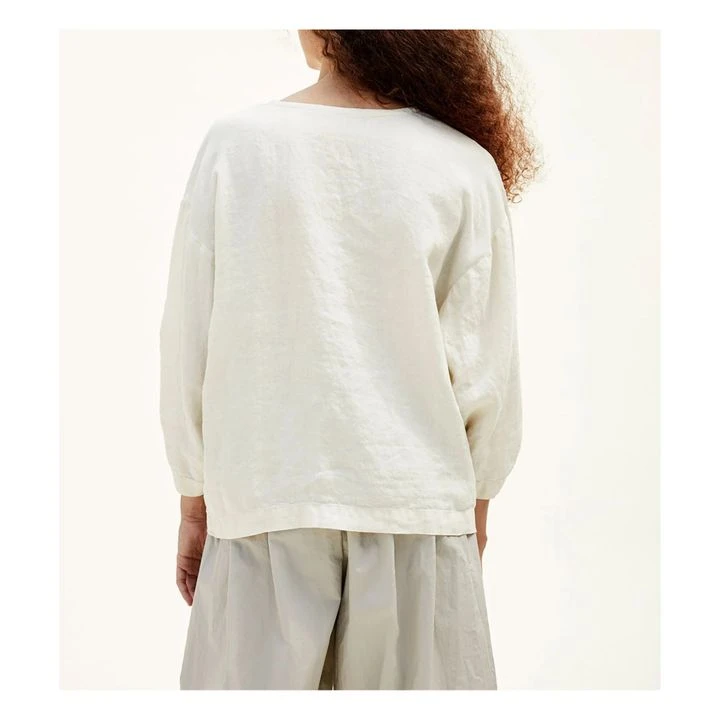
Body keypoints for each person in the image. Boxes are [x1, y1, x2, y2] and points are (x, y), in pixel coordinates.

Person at [159, 29, 540, 690]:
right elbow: (487, 368)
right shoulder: (461, 162)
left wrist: (195, 496)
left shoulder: (237, 146)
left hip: (265, 499)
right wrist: (472, 510)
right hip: (414, 506)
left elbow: (189, 337)